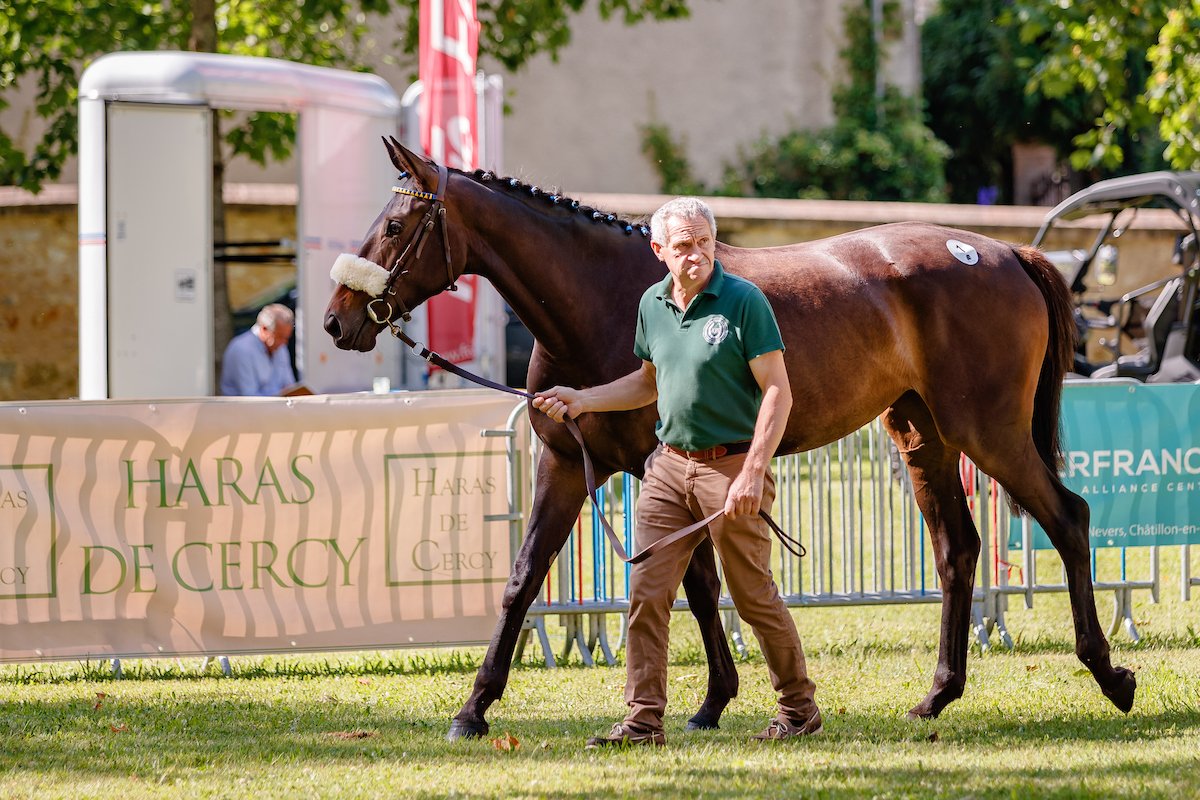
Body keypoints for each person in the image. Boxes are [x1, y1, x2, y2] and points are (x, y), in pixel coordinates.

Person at [533, 197, 820, 747]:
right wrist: (583, 399)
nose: (696, 255)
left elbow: (778, 392)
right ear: (659, 249)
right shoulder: (652, 303)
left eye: (704, 242)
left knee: (753, 595)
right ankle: (643, 721)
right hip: (667, 467)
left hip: (730, 467)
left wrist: (753, 472)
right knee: (646, 595)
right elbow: (647, 382)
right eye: (683, 245)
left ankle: (799, 708)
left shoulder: (744, 301)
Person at [219, 303, 297, 396]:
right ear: (264, 329)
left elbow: (289, 386)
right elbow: (250, 397)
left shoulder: (281, 348)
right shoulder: (241, 350)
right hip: (245, 405)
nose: (284, 342)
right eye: (280, 337)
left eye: (287, 337)